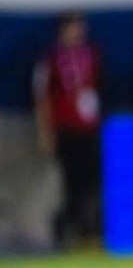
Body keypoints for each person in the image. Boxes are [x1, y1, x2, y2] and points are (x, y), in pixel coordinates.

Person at [33, 12, 103, 248]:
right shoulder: (52, 58)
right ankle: (65, 229)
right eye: (73, 27)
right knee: (71, 182)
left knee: (91, 180)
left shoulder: (92, 54)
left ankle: (87, 229)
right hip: (66, 128)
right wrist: (46, 131)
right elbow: (42, 96)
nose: (78, 31)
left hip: (89, 128)